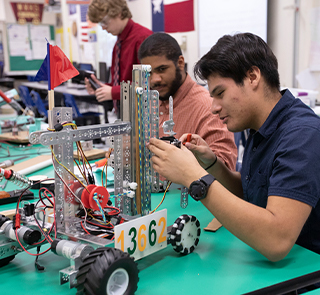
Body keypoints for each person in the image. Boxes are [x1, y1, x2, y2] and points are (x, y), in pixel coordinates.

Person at [148, 32, 320, 261]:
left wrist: (194, 176)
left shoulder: (302, 135)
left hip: (305, 278)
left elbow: (277, 240)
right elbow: (254, 193)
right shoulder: (259, 126)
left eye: (220, 93)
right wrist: (212, 165)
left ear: (252, 77)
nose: (214, 108)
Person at [138, 33, 237, 170]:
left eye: (162, 69)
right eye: (148, 73)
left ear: (180, 63)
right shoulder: (149, 105)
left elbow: (225, 172)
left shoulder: (208, 106)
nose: (155, 79)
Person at [85, 0, 152, 117]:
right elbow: (123, 82)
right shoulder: (118, 44)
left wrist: (114, 92)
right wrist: (103, 89)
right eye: (101, 24)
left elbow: (149, 82)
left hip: (143, 115)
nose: (104, 28)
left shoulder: (143, 38)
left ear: (119, 13)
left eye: (105, 22)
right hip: (125, 112)